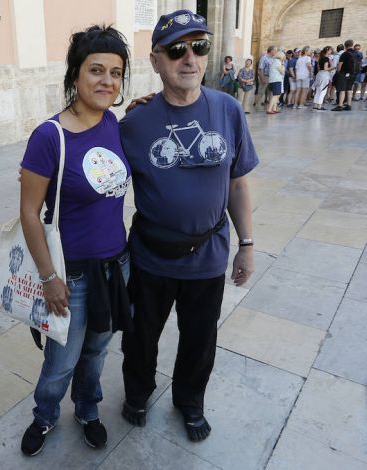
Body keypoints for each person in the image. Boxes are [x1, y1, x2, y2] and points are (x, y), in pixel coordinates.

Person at [118, 10, 258, 442]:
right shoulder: (135, 123)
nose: (190, 58)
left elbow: (237, 181)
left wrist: (247, 243)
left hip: (208, 256)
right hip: (150, 257)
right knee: (141, 336)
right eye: (176, 49)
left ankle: (189, 402)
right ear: (156, 61)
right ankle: (137, 394)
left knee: (200, 341)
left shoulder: (228, 110)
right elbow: (98, 171)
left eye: (199, 47)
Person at [19, 25, 132, 456]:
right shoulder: (49, 136)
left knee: (97, 352)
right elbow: (30, 213)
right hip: (71, 273)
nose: (107, 81)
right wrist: (49, 277)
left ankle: (87, 409)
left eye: (116, 73)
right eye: (96, 70)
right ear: (75, 76)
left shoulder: (114, 124)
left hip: (116, 265)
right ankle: (45, 415)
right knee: (60, 361)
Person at [332, 39, 357, 111]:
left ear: (345, 46)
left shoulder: (345, 54)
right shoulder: (357, 54)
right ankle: (349, 105)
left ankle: (340, 105)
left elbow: (340, 65)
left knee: (342, 89)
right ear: (352, 45)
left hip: (344, 73)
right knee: (349, 89)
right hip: (352, 74)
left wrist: (339, 72)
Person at [312, 46, 333, 110]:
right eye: (330, 50)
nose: (331, 51)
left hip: (319, 74)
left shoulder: (320, 58)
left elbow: (318, 68)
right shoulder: (326, 58)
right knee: (323, 90)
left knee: (318, 90)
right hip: (324, 75)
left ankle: (315, 105)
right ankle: (319, 105)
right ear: (328, 50)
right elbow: (326, 68)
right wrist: (334, 67)